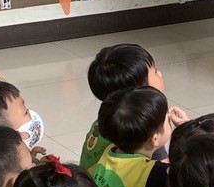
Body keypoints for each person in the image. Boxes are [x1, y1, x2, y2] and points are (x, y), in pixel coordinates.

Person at [80, 43, 188, 173]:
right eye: (154, 71)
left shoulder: (107, 120)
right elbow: (169, 172)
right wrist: (185, 131)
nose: (160, 73)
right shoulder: (144, 132)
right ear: (141, 91)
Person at [90, 86, 172, 187]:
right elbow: (187, 173)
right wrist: (186, 129)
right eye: (167, 119)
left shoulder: (110, 152)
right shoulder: (152, 173)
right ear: (155, 138)